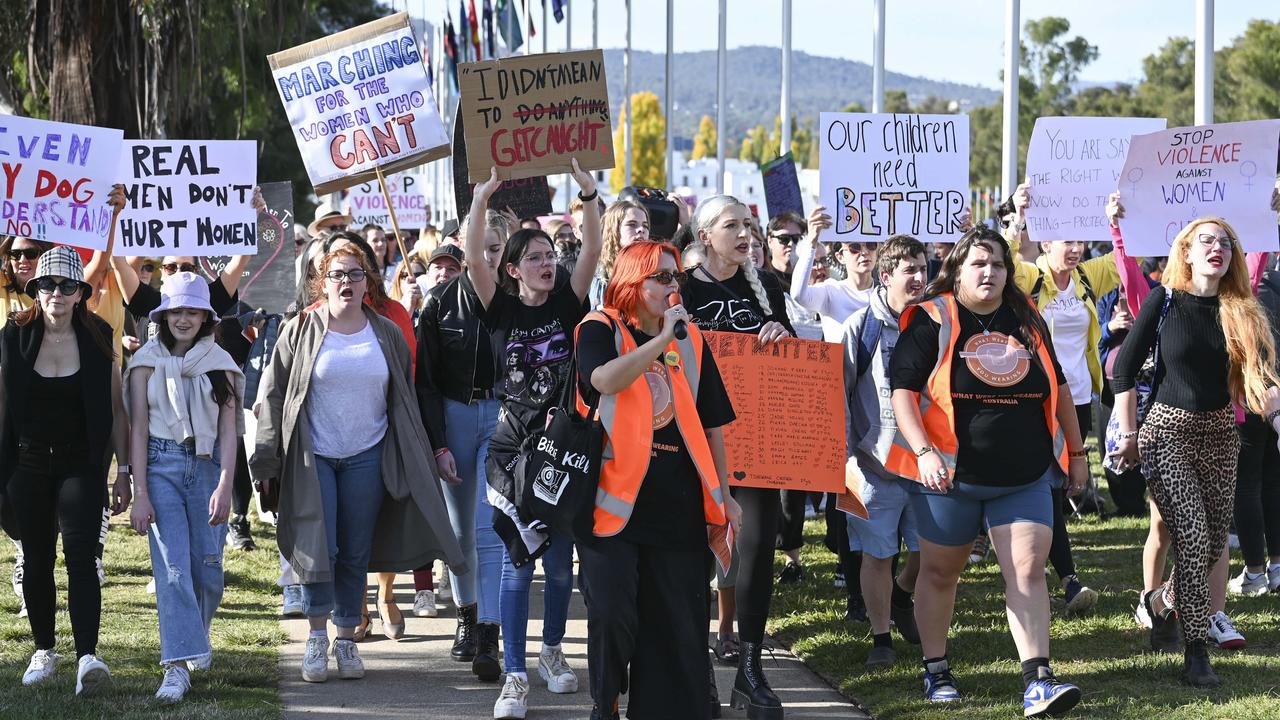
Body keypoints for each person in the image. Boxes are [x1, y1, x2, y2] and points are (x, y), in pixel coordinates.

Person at [887, 226, 1085, 715]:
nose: (989, 272)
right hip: (950, 476)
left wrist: (1078, 455)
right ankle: (937, 670)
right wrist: (923, 452)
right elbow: (903, 394)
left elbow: (1057, 389)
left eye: (997, 263)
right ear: (957, 269)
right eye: (978, 263)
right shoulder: (932, 318)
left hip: (1024, 474)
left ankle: (1038, 680)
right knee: (939, 573)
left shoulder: (1027, 318)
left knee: (1028, 569)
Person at [250, 245, 464, 683]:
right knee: (317, 546)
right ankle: (315, 636)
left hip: (369, 454)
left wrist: (431, 453)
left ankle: (345, 639)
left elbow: (405, 399)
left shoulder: (386, 332)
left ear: (368, 282)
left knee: (354, 550)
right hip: (315, 458)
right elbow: (271, 398)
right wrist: (266, 463)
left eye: (354, 274)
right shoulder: (300, 330)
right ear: (321, 283)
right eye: (336, 275)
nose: (345, 282)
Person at [1110, 217, 1280, 688]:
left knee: (1208, 548)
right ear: (1185, 251)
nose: (1217, 248)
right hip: (1165, 433)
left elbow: (1260, 378)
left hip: (1221, 434)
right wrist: (1127, 434)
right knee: (1191, 534)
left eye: (1226, 242)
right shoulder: (1164, 301)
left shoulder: (1241, 311)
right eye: (1206, 240)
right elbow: (1123, 370)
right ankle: (1197, 650)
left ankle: (1160, 603)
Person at [576, 240, 741, 720]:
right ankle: (604, 703)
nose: (674, 287)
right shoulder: (599, 327)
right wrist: (660, 341)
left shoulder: (692, 341)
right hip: (612, 507)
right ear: (633, 281)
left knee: (676, 624)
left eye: (677, 278)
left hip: (678, 506)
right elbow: (603, 381)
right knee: (612, 615)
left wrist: (726, 497)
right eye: (663, 278)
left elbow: (712, 425)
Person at [467, 160, 601, 720]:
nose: (548, 264)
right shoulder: (497, 308)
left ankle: (552, 653)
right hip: (512, 452)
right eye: (536, 259)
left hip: (565, 447)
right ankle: (515, 678)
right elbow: (475, 257)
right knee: (517, 564)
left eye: (551, 256)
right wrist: (481, 199)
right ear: (515, 270)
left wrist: (588, 191)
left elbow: (591, 250)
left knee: (563, 564)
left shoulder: (571, 303)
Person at [681, 194, 793, 720]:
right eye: (733, 225)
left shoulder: (767, 285)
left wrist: (780, 333)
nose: (746, 232)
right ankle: (697, 672)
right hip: (694, 442)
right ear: (705, 236)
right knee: (695, 556)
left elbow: (792, 353)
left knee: (756, 548)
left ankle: (750, 670)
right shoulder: (681, 287)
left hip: (758, 438)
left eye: (748, 224)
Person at [1, 246, 131, 697]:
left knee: (82, 558)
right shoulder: (13, 334)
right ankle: (43, 649)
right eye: (47, 284)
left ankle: (87, 656)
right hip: (26, 461)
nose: (57, 292)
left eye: (67, 285)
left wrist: (125, 471)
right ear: (35, 290)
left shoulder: (98, 335)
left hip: (81, 462)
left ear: (80, 292)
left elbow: (116, 408)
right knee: (36, 557)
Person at [1006, 183, 1128, 614]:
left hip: (1078, 399)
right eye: (1067, 240)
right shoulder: (1030, 277)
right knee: (1052, 486)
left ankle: (1042, 564)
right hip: (1039, 399)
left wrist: (1116, 223)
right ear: (1046, 241)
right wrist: (1017, 217)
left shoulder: (1086, 278)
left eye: (1081, 240)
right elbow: (1001, 261)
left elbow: (1124, 264)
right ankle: (1069, 578)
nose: (1076, 248)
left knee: (1058, 485)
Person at [124, 273, 244, 702]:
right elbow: (138, 429)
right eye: (176, 310)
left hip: (209, 466)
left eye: (192, 310)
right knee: (173, 568)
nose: (184, 318)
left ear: (206, 316)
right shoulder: (144, 363)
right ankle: (175, 666)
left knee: (208, 568)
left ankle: (195, 632)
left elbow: (230, 431)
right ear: (163, 315)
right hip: (160, 465)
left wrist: (226, 485)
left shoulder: (221, 363)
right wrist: (140, 491)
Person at [418, 209, 511, 681]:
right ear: (462, 246)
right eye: (479, 247)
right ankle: (466, 616)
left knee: (485, 526)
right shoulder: (437, 303)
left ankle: (488, 632)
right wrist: (438, 444)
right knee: (458, 534)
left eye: (495, 249)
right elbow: (426, 382)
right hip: (454, 415)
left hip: (500, 416)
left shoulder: (515, 300)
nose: (486, 257)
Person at [841, 235, 929, 668]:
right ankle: (881, 638)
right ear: (886, 275)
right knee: (877, 555)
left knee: (929, 552)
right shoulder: (862, 327)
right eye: (909, 269)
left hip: (928, 465)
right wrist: (843, 461)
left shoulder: (934, 320)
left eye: (923, 268)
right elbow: (838, 396)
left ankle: (903, 596)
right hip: (872, 466)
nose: (918, 277)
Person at [590, 200, 651, 308]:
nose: (641, 229)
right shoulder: (596, 273)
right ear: (614, 230)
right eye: (632, 224)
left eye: (645, 226)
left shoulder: (654, 269)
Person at [389, 254, 427, 322]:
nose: (410, 279)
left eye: (418, 275)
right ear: (398, 281)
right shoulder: (387, 310)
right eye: (404, 276)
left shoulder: (431, 311)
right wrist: (407, 311)